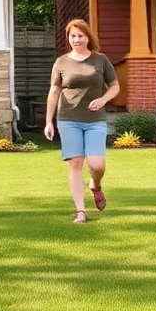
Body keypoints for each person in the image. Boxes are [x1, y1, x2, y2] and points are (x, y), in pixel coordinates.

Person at [44, 19, 120, 224]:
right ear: (68, 38)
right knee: (76, 163)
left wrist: (103, 99)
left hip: (95, 120)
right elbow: (54, 92)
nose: (76, 39)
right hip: (68, 118)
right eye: (72, 36)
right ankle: (80, 211)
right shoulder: (61, 62)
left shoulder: (100, 60)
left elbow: (114, 86)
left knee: (97, 165)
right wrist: (48, 121)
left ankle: (95, 186)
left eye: (80, 36)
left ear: (88, 37)